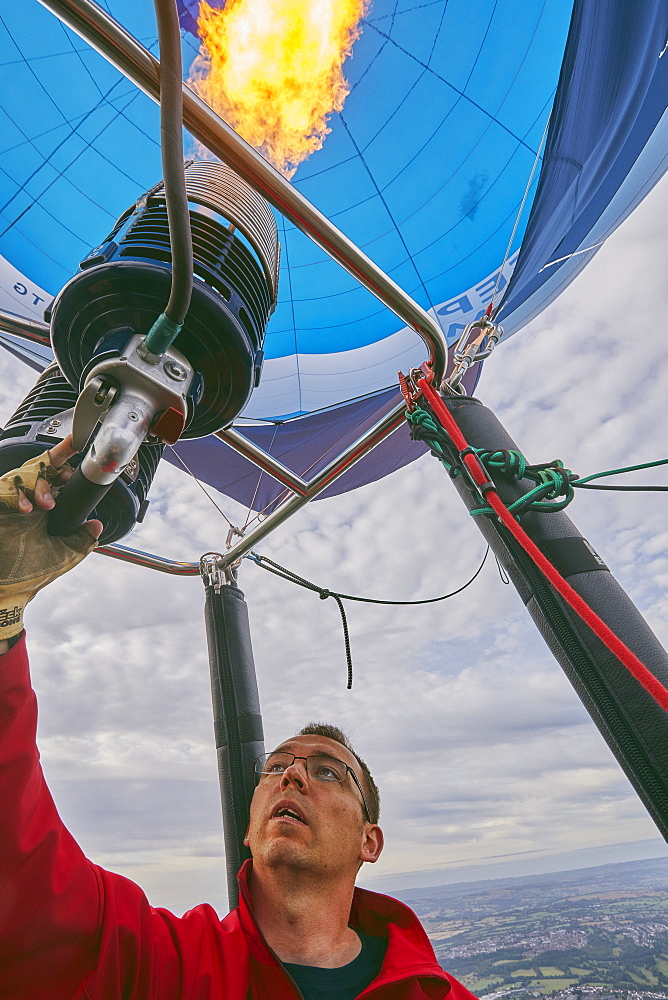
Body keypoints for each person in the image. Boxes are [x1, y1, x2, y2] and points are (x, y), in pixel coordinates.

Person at [0, 440, 479, 1000]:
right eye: (274, 767)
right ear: (249, 831)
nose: (290, 776)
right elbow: (21, 874)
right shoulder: (159, 965)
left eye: (327, 772)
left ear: (369, 841)